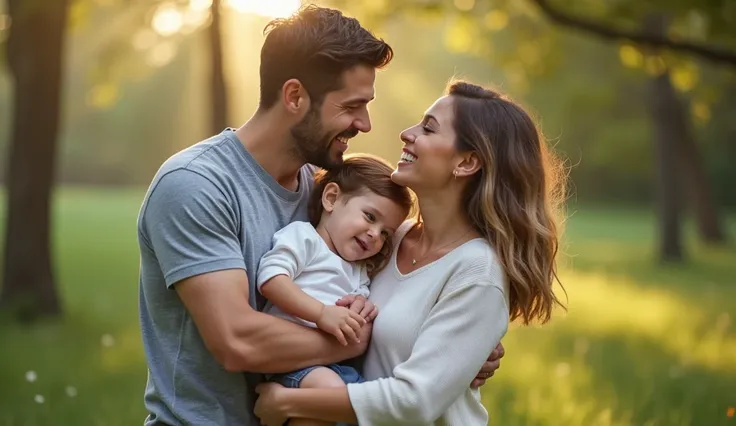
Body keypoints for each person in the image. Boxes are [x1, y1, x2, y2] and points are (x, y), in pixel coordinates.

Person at [136, 5, 503, 426]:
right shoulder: (197, 185)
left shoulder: (329, 190)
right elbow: (237, 341)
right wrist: (353, 342)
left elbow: (408, 287)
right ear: (295, 97)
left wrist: (452, 355)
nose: (364, 124)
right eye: (352, 106)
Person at [253, 80, 568, 426]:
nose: (406, 133)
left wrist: (291, 402)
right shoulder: (387, 241)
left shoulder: (477, 272)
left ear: (466, 163)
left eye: (428, 129)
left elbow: (415, 401)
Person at [256, 155, 412, 418]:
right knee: (328, 393)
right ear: (331, 199)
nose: (376, 234)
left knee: (375, 408)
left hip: (338, 366)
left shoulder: (360, 269)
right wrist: (321, 313)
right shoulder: (304, 238)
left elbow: (366, 308)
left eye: (386, 233)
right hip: (294, 363)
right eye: (370, 216)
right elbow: (271, 280)